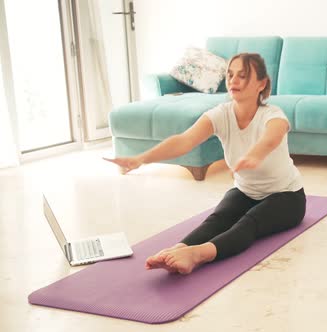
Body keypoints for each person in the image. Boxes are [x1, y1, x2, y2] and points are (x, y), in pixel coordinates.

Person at [104, 53, 305, 275]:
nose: (233, 80)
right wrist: (141, 158)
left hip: (287, 196)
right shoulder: (221, 114)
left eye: (243, 75)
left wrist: (255, 155)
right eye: (230, 75)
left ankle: (196, 256)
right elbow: (184, 140)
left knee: (249, 223)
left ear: (262, 83)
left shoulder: (273, 115)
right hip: (246, 191)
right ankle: (178, 249)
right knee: (217, 219)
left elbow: (271, 138)